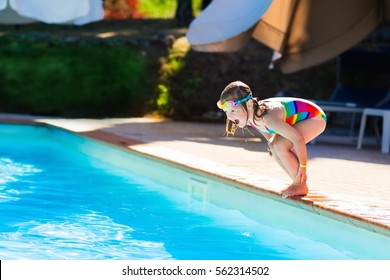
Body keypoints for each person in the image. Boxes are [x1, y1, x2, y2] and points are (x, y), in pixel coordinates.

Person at [217, 81, 327, 198]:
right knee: (273, 146)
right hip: (298, 119)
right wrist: (271, 142)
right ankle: (297, 183)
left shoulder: (268, 116)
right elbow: (263, 128)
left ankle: (300, 184)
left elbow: (298, 139)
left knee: (280, 146)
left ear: (249, 104)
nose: (229, 116)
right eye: (226, 112)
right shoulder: (250, 114)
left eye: (233, 111)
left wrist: (303, 166)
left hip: (315, 117)